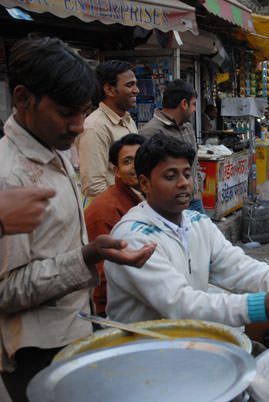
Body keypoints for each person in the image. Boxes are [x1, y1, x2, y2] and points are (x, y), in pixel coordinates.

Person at [0, 37, 156, 402]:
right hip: (35, 351)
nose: (77, 127)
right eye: (67, 113)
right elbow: (6, 290)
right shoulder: (10, 177)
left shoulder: (52, 150)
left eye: (82, 113)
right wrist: (87, 256)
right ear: (23, 99)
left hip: (73, 331)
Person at [104, 134, 269, 325]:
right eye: (170, 176)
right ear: (144, 183)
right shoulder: (133, 237)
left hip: (184, 344)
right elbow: (180, 303)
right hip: (141, 352)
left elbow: (237, 268)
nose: (183, 183)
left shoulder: (197, 223)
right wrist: (257, 306)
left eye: (187, 174)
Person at [84, 134, 146, 316]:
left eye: (140, 159)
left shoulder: (146, 197)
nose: (135, 166)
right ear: (116, 171)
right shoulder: (106, 209)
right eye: (128, 161)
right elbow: (103, 275)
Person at [77, 60, 139, 202]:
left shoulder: (127, 120)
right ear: (109, 89)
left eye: (135, 84)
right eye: (130, 85)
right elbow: (94, 187)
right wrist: (122, 210)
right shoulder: (95, 127)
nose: (136, 90)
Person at [139, 79, 204, 213]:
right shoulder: (151, 132)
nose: (195, 110)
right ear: (184, 104)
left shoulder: (187, 128)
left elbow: (195, 164)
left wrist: (197, 192)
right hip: (169, 207)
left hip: (194, 201)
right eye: (193, 104)